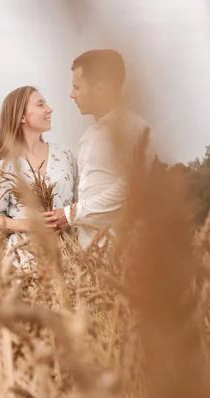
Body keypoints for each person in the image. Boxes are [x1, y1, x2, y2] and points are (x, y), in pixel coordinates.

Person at [52, 49, 157, 249]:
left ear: (100, 89)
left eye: (77, 87)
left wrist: (69, 215)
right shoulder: (87, 138)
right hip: (87, 256)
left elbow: (128, 188)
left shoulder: (137, 131)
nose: (71, 95)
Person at [0, 86, 77, 272]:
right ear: (22, 117)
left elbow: (81, 202)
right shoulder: (3, 166)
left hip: (67, 257)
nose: (49, 109)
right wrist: (29, 224)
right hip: (22, 262)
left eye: (46, 104)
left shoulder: (66, 155)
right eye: (41, 104)